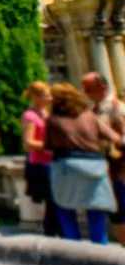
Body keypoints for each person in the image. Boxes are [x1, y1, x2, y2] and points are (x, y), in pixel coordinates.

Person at [46, 82, 120, 245]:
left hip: (67, 167)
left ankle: (74, 252)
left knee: (65, 209)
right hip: (96, 166)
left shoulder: (54, 120)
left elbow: (48, 145)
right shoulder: (90, 116)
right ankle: (101, 250)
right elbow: (114, 137)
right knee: (95, 212)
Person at [83, 73, 125, 245]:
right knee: (117, 214)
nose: (85, 93)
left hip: (120, 169)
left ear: (102, 88)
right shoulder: (95, 110)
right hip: (106, 170)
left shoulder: (117, 108)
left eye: (88, 89)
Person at [22, 81, 61, 237]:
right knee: (53, 203)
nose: (50, 98)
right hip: (41, 164)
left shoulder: (46, 113)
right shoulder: (30, 116)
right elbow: (28, 143)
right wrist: (49, 145)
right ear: (36, 97)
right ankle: (51, 234)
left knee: (56, 203)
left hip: (52, 161)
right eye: (47, 95)